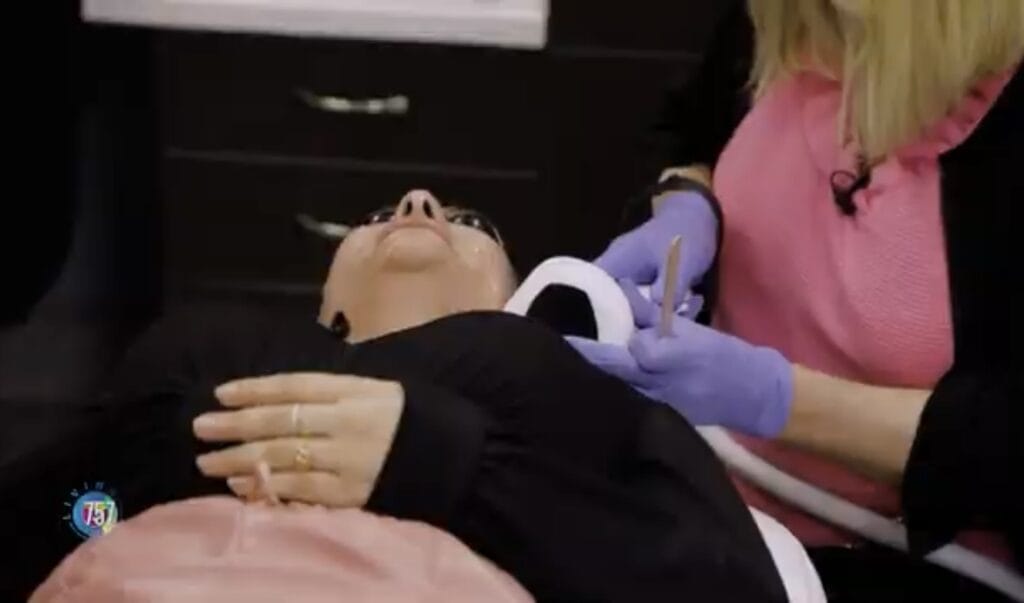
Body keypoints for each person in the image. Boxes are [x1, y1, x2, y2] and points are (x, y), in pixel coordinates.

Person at [10, 191, 791, 601]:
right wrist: (148, 469)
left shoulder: (560, 380)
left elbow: (714, 583)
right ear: (324, 304)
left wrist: (459, 470)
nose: (418, 202)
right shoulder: (214, 351)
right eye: (377, 215)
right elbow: (68, 513)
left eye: (471, 221)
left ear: (516, 300)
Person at [569, 1, 1023, 600]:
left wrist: (775, 396)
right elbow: (688, 128)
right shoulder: (791, 20)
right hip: (692, 499)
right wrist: (685, 201)